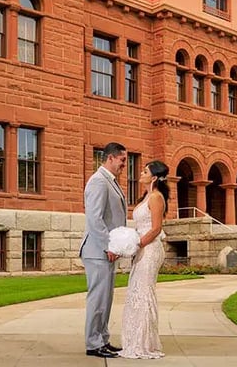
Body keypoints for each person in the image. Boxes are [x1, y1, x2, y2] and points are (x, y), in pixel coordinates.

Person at [80, 142, 128, 358]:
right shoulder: (98, 181)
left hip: (106, 251)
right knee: (98, 298)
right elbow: (94, 218)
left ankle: (102, 339)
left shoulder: (111, 181)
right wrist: (108, 245)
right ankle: (93, 344)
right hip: (97, 250)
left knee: (106, 299)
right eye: (123, 160)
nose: (124, 165)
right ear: (110, 158)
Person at [118, 160, 170, 359]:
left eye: (145, 171)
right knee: (135, 292)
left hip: (150, 249)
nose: (141, 172)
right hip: (142, 247)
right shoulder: (146, 196)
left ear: (154, 177)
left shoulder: (156, 197)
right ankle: (133, 340)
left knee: (144, 293)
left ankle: (144, 344)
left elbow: (156, 228)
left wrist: (137, 244)